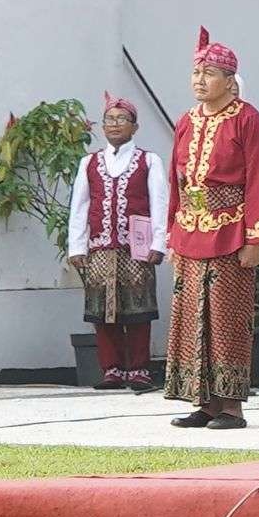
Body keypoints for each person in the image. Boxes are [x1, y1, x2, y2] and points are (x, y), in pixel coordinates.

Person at [165, 28, 259, 431]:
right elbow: (178, 182)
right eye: (196, 72)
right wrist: (173, 233)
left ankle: (231, 407)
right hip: (189, 232)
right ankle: (203, 402)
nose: (199, 79)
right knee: (190, 316)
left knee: (226, 317)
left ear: (229, 80)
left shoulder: (248, 120)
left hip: (230, 232)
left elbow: (258, 180)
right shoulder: (186, 121)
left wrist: (255, 237)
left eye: (208, 72)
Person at [67, 93, 169, 392]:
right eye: (109, 119)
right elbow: (80, 206)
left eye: (122, 119)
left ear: (134, 127)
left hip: (135, 247)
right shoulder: (90, 162)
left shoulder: (149, 161)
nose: (114, 125)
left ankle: (138, 369)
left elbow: (159, 202)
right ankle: (110, 369)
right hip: (99, 247)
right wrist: (77, 246)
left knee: (138, 307)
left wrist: (159, 243)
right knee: (101, 308)